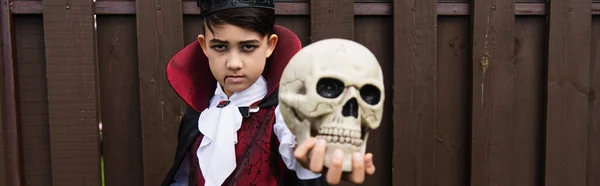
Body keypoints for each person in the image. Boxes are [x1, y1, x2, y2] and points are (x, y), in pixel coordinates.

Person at [161, 0, 375, 185]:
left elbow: (296, 144)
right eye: (220, 47)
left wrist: (312, 158)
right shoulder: (199, 113)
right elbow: (184, 177)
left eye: (248, 47)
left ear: (270, 45)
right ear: (204, 46)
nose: (234, 63)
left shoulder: (284, 113)